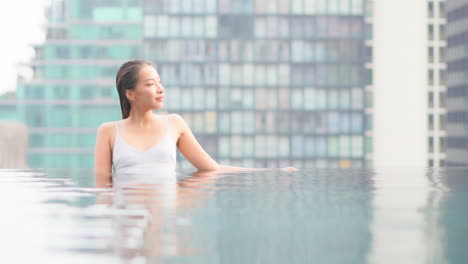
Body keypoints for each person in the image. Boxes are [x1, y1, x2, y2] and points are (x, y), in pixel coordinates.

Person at [94, 60, 297, 187]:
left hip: (165, 214)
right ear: (130, 94)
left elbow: (212, 168)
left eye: (159, 82)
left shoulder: (174, 124)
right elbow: (102, 186)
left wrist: (273, 173)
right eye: (150, 84)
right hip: (128, 219)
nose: (160, 89)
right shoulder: (109, 131)